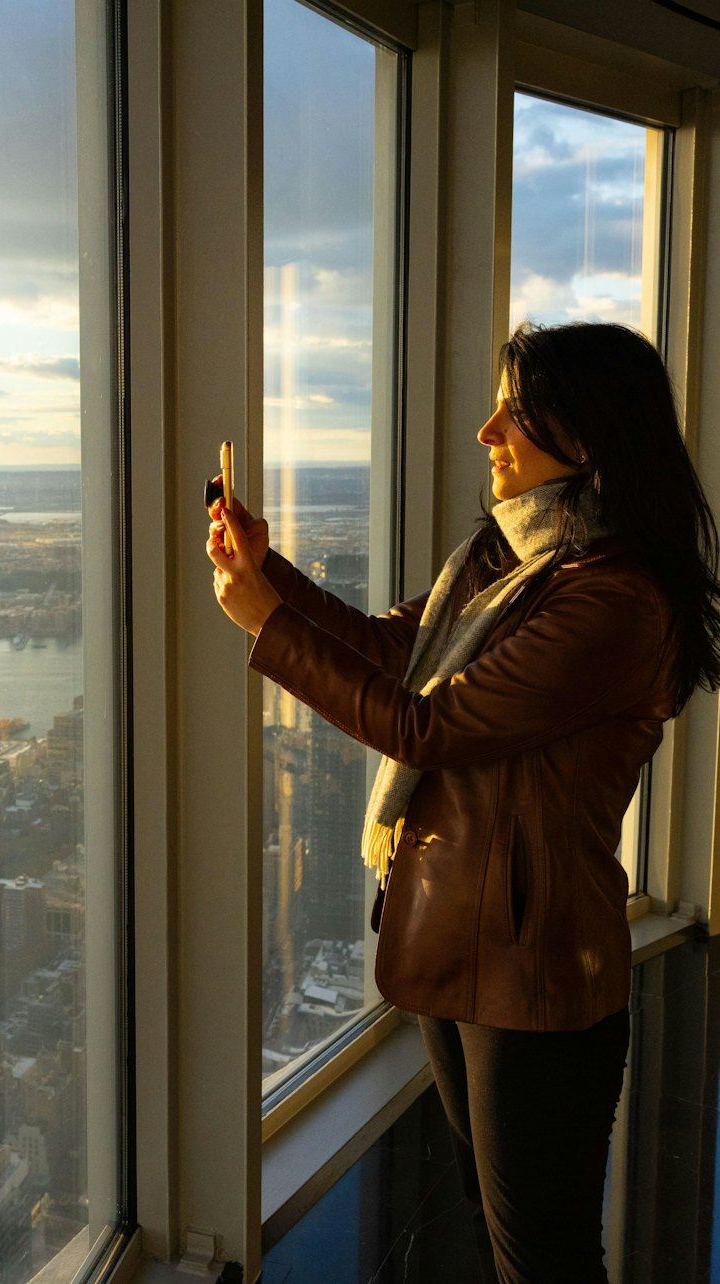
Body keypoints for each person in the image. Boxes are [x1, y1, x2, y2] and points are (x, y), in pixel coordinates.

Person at [206, 319, 720, 1283]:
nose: (487, 431)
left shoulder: (614, 603)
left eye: (516, 414)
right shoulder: (510, 563)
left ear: (591, 434)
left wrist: (269, 625)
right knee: (500, 1221)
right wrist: (265, 576)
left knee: (544, 1255)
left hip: (533, 965)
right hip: (461, 934)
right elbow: (393, 651)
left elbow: (427, 730)